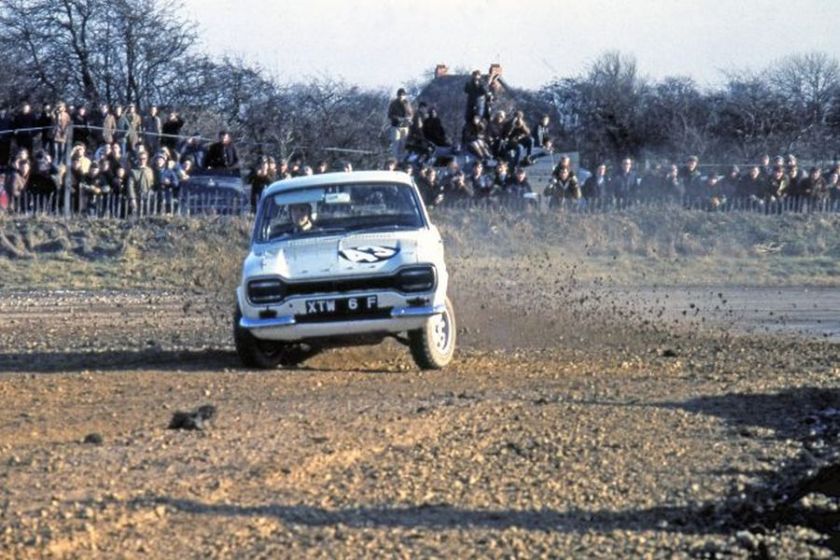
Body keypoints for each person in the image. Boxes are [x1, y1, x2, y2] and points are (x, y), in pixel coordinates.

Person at [386, 88, 413, 159]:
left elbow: (411, 114)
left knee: (403, 144)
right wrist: (398, 118)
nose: (401, 96)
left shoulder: (407, 103)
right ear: (397, 95)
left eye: (403, 95)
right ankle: (395, 160)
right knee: (396, 144)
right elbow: (390, 115)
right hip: (396, 126)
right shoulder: (393, 103)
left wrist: (409, 119)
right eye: (400, 95)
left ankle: (401, 161)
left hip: (405, 126)